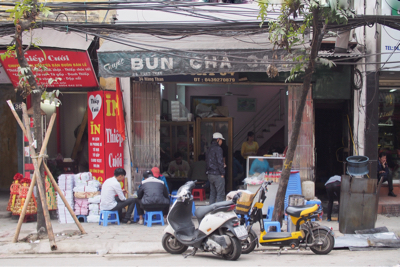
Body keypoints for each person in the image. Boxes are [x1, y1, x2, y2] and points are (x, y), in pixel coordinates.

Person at [206, 132, 225, 204]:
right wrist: (222, 173)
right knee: (220, 194)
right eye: (221, 140)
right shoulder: (218, 149)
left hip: (210, 174)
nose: (221, 142)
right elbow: (220, 162)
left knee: (212, 194)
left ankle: (211, 211)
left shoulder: (209, 149)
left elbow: (208, 161)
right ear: (218, 139)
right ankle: (219, 212)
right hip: (217, 174)